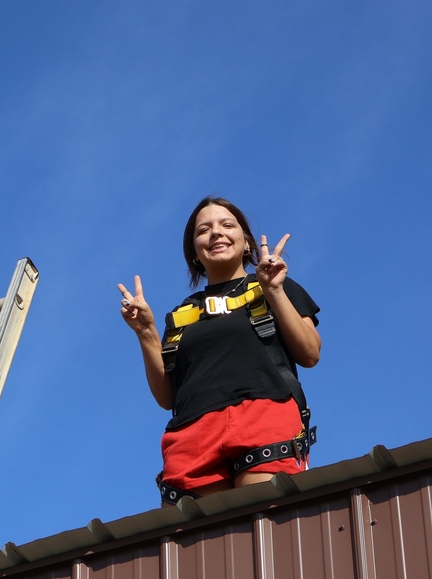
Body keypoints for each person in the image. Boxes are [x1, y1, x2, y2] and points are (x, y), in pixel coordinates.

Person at [118, 197, 321, 505]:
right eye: (204, 230)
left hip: (264, 416)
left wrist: (275, 291)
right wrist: (146, 332)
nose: (216, 234)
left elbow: (310, 353)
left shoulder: (275, 286)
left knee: (265, 527)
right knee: (197, 547)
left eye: (227, 225)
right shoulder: (183, 314)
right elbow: (167, 397)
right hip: (192, 434)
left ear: (246, 243)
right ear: (195, 253)